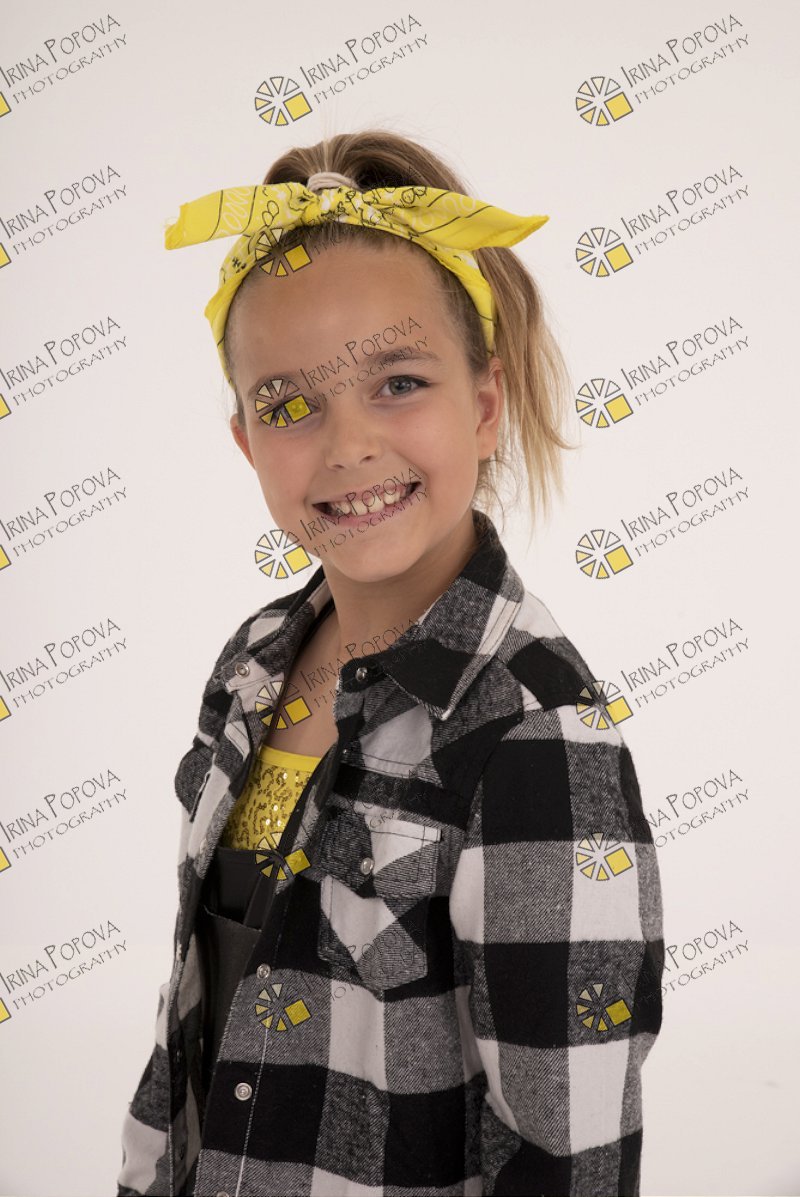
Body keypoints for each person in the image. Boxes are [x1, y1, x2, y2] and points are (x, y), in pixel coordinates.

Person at [116, 128, 664, 1197]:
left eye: (398, 382)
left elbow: (569, 1158)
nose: (347, 445)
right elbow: (194, 1026)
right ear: (245, 442)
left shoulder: (530, 735)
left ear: (485, 405)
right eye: (288, 404)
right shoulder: (254, 664)